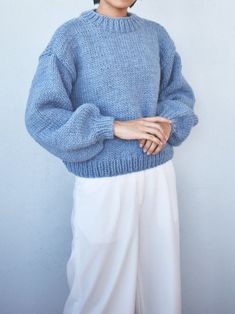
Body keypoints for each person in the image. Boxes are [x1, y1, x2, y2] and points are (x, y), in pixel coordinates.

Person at [24, 0, 199, 313]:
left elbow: (179, 96)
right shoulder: (70, 37)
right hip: (104, 184)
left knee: (161, 289)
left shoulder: (156, 35)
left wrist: (166, 125)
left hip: (158, 177)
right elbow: (42, 116)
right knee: (98, 295)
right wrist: (113, 127)